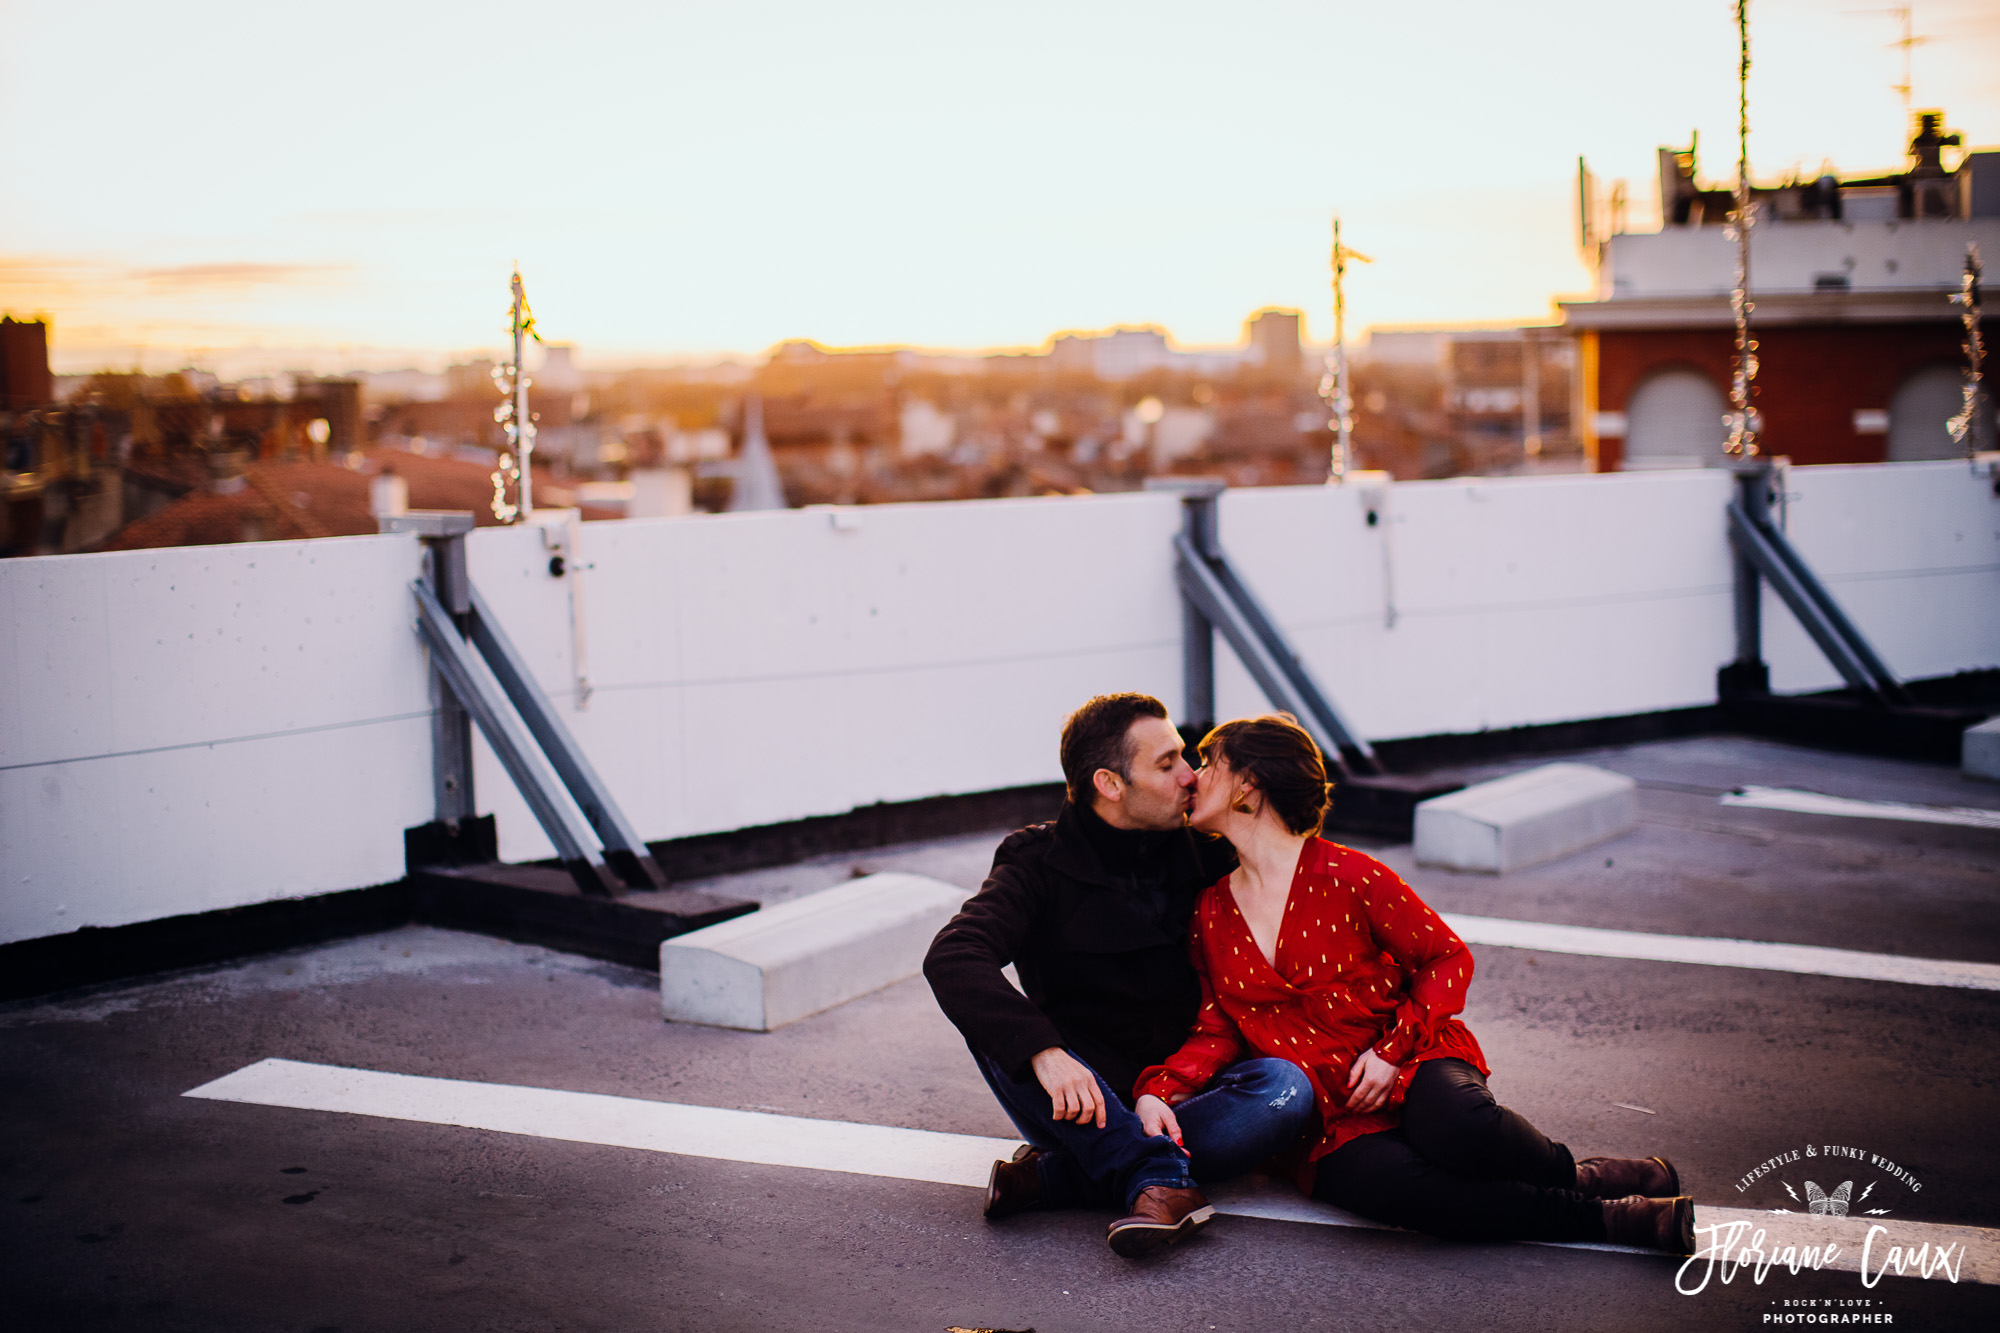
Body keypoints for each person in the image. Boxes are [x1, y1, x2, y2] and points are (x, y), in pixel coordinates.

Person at [1134, 713, 1696, 1254]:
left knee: (1461, 1130)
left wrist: (1388, 1052)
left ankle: (1577, 1174)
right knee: (1411, 1192)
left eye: (1208, 762)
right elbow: (1219, 1027)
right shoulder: (1209, 912)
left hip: (1408, 1060)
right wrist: (1160, 1088)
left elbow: (1446, 957)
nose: (1192, 775)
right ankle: (1614, 1215)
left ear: (1248, 784)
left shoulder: (1351, 874)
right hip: (1326, 1118)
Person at [924, 693, 1318, 1258]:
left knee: (1285, 1088)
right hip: (1084, 1098)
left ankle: (1067, 1176)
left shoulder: (1204, 850)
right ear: (1109, 784)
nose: (1190, 776)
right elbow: (954, 954)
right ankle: (1153, 1172)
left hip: (1187, 1091)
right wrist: (1044, 1053)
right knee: (994, 1022)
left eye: (1185, 756)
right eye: (1166, 764)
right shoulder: (1037, 861)